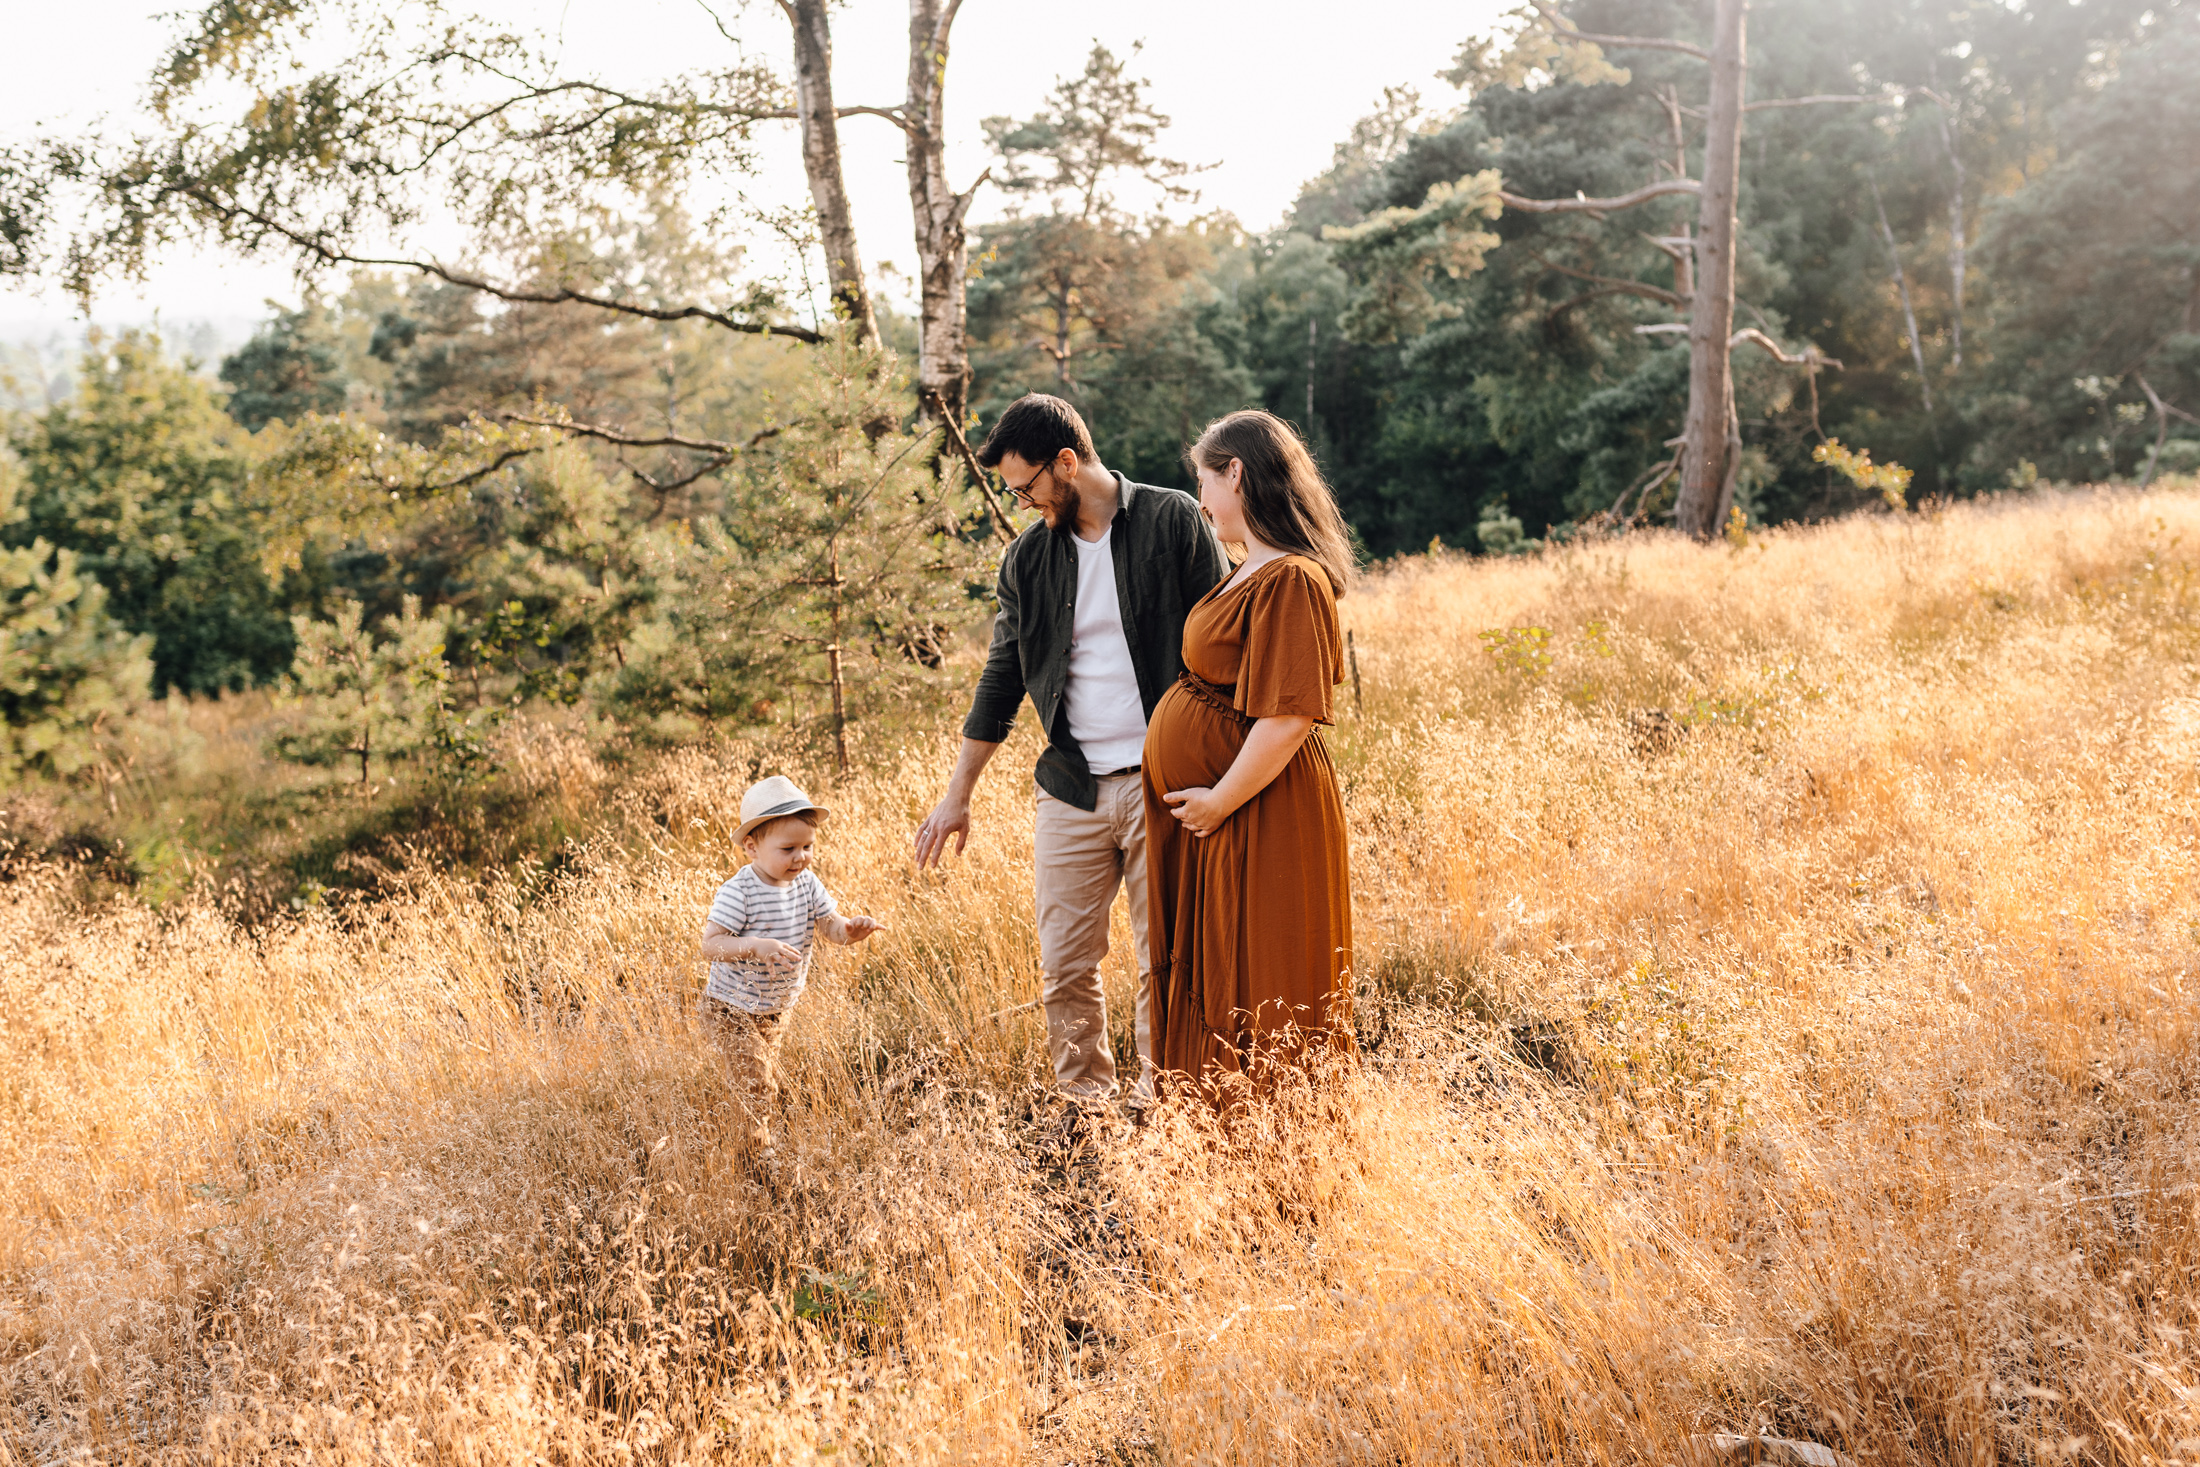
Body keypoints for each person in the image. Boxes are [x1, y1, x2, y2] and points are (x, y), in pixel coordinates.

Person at [915, 393, 1229, 1106]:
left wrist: (1230, 771)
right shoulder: (1025, 561)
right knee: (1064, 964)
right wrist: (957, 795)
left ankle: (1163, 1108)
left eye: (1028, 486)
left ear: (1068, 461)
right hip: (1070, 788)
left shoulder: (1172, 518)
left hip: (1167, 780)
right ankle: (1086, 1109)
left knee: (1166, 962)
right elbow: (1001, 677)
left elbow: (1224, 638)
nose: (1022, 501)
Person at [1142, 409, 1355, 1097]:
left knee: (1268, 976)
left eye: (1204, 481)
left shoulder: (1292, 578)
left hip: (1262, 812)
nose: (1201, 502)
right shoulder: (1245, 570)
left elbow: (1290, 714)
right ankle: (1225, 1160)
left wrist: (1219, 798)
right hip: (1224, 816)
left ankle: (1283, 1166)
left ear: (1235, 471)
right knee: (1222, 971)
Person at [701, 775, 884, 1148]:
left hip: (775, 1008)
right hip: (731, 1007)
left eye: (807, 846)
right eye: (788, 849)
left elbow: (830, 927)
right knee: (757, 1083)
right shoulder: (740, 891)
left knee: (756, 1078)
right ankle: (757, 1157)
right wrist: (755, 946)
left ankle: (740, 1136)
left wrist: (850, 929)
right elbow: (711, 945)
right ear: (752, 847)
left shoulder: (807, 884)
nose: (800, 856)